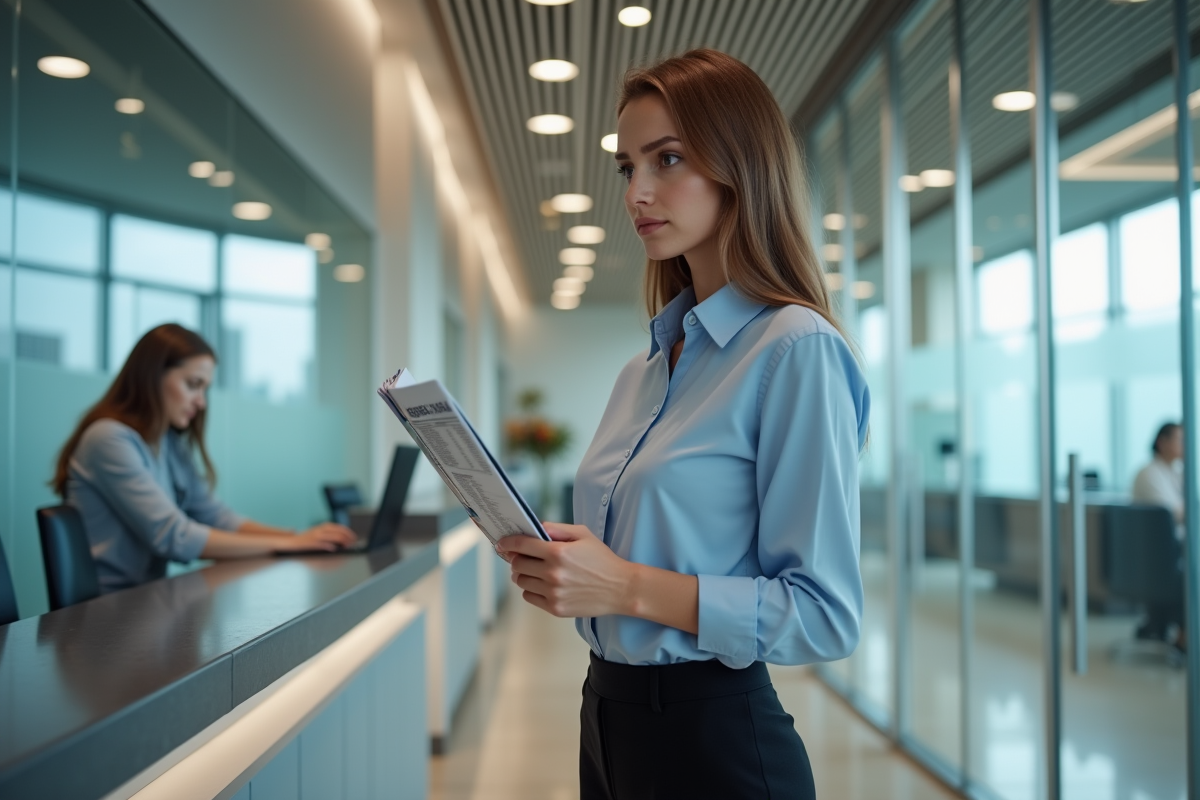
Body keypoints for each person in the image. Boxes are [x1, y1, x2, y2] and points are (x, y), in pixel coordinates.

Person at [497, 50, 869, 799]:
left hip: (714, 742)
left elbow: (824, 615)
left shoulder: (794, 349)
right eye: (627, 168)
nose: (638, 192)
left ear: (741, 166)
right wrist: (565, 570)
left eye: (667, 159)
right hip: (605, 718)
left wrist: (626, 587)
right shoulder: (644, 369)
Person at [52, 324, 357, 594]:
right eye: (193, 384)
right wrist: (287, 545)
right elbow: (174, 536)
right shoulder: (109, 439)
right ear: (152, 377)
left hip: (145, 602)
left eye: (205, 389)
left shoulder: (167, 442)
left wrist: (298, 537)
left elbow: (214, 515)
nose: (200, 401)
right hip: (105, 616)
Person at [1130, 421, 1186, 649]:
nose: (1185, 446)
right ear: (1162, 443)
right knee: (1192, 573)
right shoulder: (1149, 474)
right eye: (1180, 440)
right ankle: (1184, 637)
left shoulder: (1173, 473)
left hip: (1172, 552)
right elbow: (1172, 514)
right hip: (1156, 560)